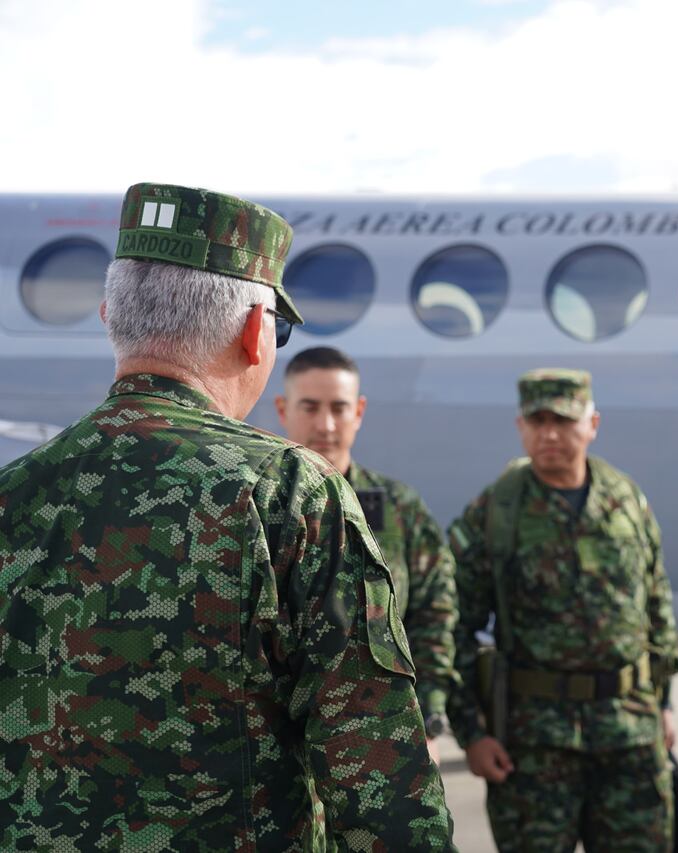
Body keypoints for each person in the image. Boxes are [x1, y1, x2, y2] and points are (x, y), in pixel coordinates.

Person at [0, 183, 455, 850]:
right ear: (253, 333)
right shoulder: (288, 491)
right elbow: (376, 775)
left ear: (107, 316)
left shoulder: (14, 493)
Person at [448, 368, 678, 851]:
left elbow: (656, 602)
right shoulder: (496, 511)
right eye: (538, 421)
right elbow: (454, 627)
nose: (550, 434)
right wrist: (472, 733)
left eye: (564, 420)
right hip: (535, 745)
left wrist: (664, 702)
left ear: (592, 424)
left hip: (630, 734)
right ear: (521, 426)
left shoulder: (625, 499)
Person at [275, 345, 457, 763]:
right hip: (282, 747)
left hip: (383, 742)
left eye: (339, 408)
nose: (326, 424)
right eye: (310, 407)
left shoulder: (399, 508)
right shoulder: (259, 507)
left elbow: (434, 614)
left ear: (358, 411)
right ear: (283, 409)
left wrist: (427, 719)